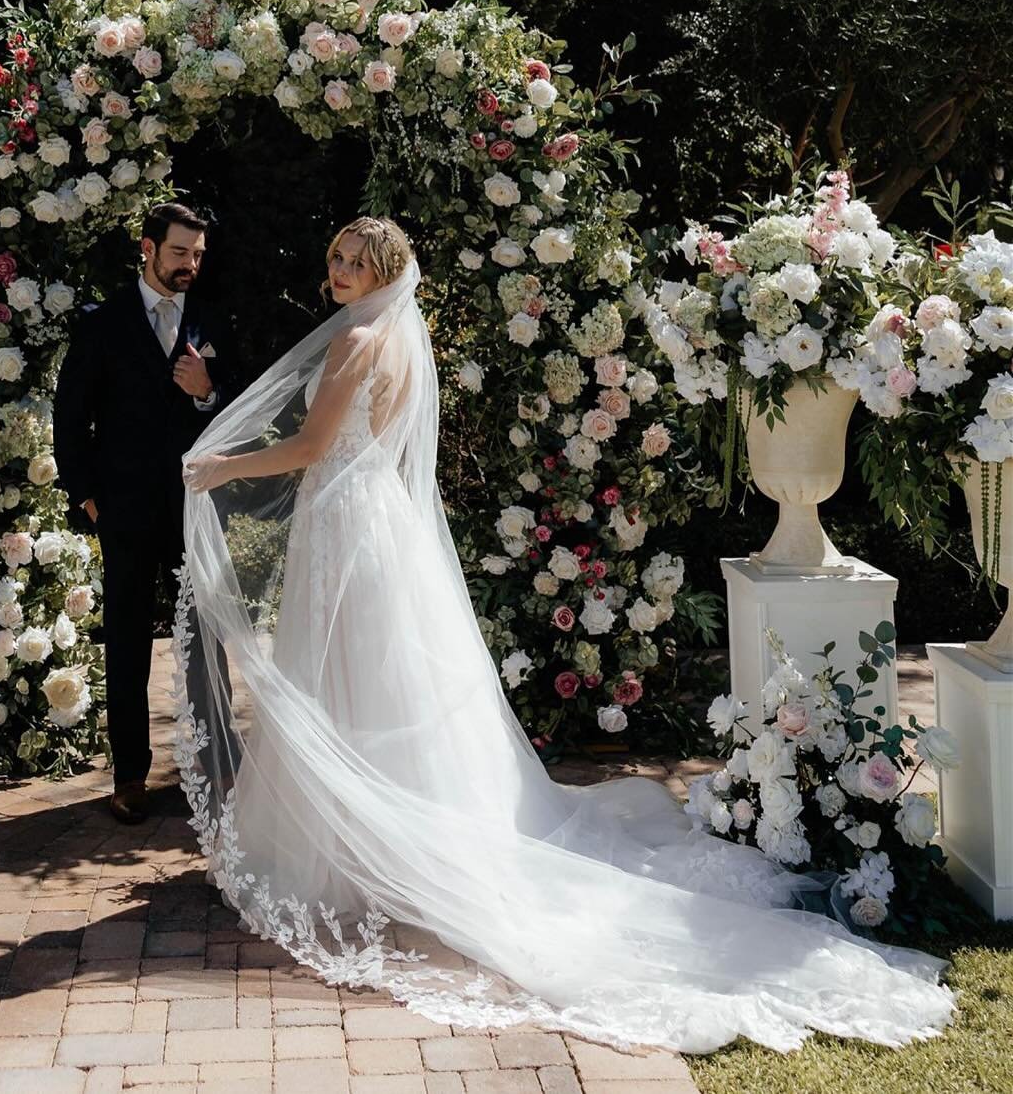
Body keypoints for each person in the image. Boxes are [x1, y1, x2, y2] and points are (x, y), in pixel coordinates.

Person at [178, 216, 955, 1055]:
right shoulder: (403, 335)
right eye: (334, 255)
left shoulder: (358, 337)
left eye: (352, 261)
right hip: (379, 528)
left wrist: (220, 466)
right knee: (377, 681)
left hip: (346, 527)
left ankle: (354, 859)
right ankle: (374, 846)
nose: (336, 270)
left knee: (347, 680)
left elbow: (315, 444)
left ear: (381, 272)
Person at [53, 201, 243, 823]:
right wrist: (86, 496)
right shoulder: (101, 323)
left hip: (194, 505)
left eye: (198, 255)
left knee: (203, 638)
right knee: (128, 643)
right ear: (148, 248)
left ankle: (217, 764)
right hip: (125, 510)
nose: (191, 265)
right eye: (180, 252)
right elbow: (69, 418)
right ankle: (130, 775)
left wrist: (206, 391)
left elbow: (242, 406)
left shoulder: (213, 317)